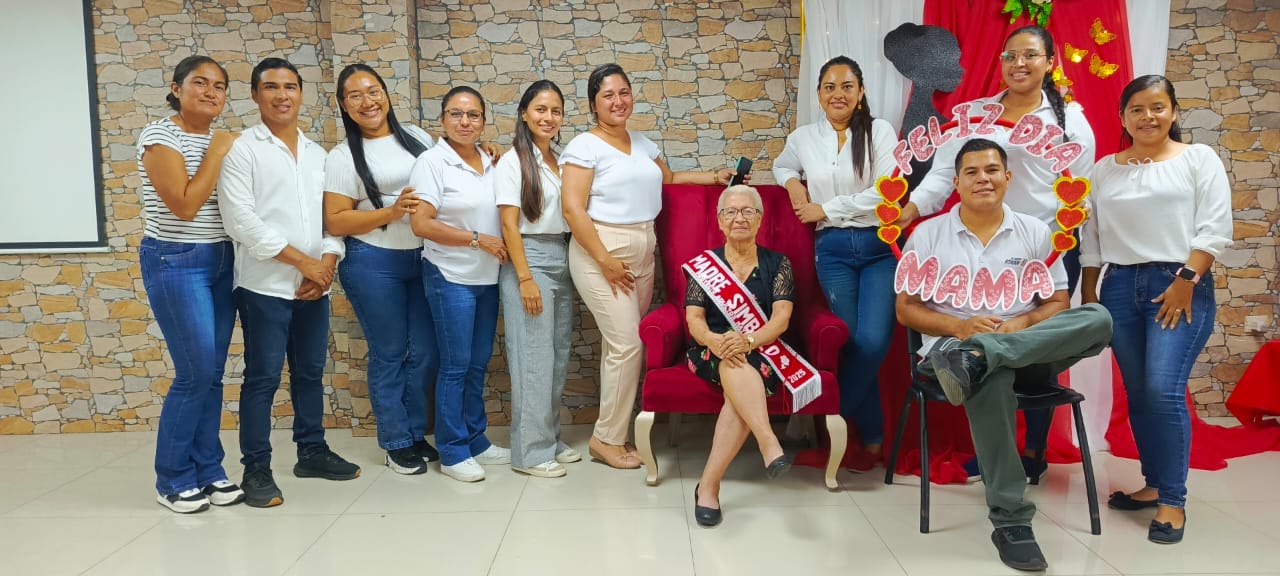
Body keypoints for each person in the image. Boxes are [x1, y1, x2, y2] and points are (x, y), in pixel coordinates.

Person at [897, 138, 1112, 571]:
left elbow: (1057, 302)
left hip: (1025, 347)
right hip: (949, 354)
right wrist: (961, 328)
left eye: (992, 170)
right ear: (956, 182)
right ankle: (1012, 521)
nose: (983, 179)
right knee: (987, 376)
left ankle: (985, 353)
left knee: (1099, 318)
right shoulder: (928, 235)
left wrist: (1018, 325)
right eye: (972, 172)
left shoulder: (1034, 232)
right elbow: (906, 310)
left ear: (1008, 177)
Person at [898, 25, 1098, 481]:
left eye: (1030, 55)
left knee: (1039, 347)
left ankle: (1034, 451)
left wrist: (1061, 248)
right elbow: (942, 175)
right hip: (984, 248)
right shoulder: (977, 115)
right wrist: (908, 210)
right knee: (989, 331)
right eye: (1010, 56)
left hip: (1045, 249)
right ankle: (998, 452)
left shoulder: (1070, 121)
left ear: (1049, 62)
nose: (1018, 64)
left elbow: (1080, 193)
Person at [1080, 75, 1233, 544]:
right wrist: (1090, 294)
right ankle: (1153, 484)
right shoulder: (1105, 170)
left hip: (1178, 282)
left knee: (1164, 390)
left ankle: (1172, 501)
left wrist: (1186, 280)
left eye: (1158, 107)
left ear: (1173, 112)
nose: (1148, 117)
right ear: (1123, 117)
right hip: (1119, 286)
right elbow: (1092, 237)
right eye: (1137, 109)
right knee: (1140, 393)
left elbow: (1214, 227)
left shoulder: (1197, 159)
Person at [561, 63, 736, 469]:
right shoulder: (584, 146)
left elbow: (668, 179)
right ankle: (606, 439)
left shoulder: (642, 143)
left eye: (623, 92)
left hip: (643, 246)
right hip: (602, 248)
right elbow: (572, 209)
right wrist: (604, 260)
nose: (618, 101)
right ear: (593, 104)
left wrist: (714, 176)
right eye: (608, 95)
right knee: (628, 344)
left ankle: (612, 431)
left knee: (620, 346)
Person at [218, 58, 361, 508]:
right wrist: (304, 263)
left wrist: (327, 264)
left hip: (315, 286)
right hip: (264, 286)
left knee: (309, 373)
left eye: (290, 87)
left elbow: (334, 218)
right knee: (262, 378)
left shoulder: (320, 155)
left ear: (301, 93)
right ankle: (256, 468)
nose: (282, 95)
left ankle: (311, 452)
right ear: (255, 94)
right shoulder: (242, 150)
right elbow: (241, 221)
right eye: (271, 87)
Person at [771, 55, 899, 472]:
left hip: (879, 246)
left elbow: (887, 191)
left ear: (860, 92)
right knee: (849, 342)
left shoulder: (880, 131)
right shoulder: (804, 137)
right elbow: (782, 165)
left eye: (847, 86)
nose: (838, 94)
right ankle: (872, 437)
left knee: (873, 342)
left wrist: (826, 208)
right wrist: (794, 185)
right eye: (829, 86)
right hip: (833, 252)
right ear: (819, 94)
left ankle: (827, 415)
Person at [138, 55, 243, 513]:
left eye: (219, 86)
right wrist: (217, 151)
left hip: (223, 259)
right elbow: (184, 206)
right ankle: (173, 478)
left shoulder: (225, 139)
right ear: (176, 87)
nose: (210, 92)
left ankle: (209, 469)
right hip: (176, 260)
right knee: (195, 372)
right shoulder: (161, 136)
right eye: (200, 82)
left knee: (213, 373)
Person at [322, 64, 439, 475]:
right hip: (373, 261)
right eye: (354, 95)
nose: (367, 101)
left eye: (373, 91)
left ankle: (414, 431)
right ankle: (395, 442)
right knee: (389, 352)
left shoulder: (418, 138)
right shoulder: (341, 157)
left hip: (424, 257)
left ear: (386, 94)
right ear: (344, 105)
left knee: (426, 351)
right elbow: (335, 220)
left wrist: (487, 151)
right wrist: (390, 211)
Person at [408, 86, 511, 483]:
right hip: (450, 275)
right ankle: (452, 451)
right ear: (442, 120)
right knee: (455, 365)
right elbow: (421, 224)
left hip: (487, 277)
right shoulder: (432, 163)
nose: (464, 122)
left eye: (473, 115)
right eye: (456, 114)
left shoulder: (490, 159)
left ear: (483, 121)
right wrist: (477, 239)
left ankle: (475, 439)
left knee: (477, 362)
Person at [684, 185, 795, 527]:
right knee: (733, 362)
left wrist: (747, 341)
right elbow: (694, 319)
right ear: (719, 221)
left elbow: (781, 319)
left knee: (739, 387)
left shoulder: (778, 263)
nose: (739, 218)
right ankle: (767, 441)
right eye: (730, 212)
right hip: (710, 348)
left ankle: (708, 486)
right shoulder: (705, 266)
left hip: (761, 348)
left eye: (748, 211)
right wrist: (715, 341)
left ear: (760, 219)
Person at [495, 80, 582, 478]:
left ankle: (548, 437)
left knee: (556, 354)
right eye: (541, 109)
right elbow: (508, 225)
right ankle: (530, 453)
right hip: (527, 257)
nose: (549, 117)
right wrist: (525, 278)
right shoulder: (513, 161)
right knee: (533, 357)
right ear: (524, 114)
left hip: (562, 254)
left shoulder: (561, 159)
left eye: (556, 111)